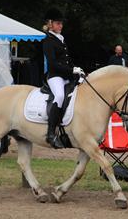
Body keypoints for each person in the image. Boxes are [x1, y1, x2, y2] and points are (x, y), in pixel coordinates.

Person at [42, 8, 85, 149]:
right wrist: (71, 70)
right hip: (55, 76)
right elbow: (53, 64)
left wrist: (77, 71)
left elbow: (67, 60)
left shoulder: (61, 39)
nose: (60, 26)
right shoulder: (48, 40)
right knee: (59, 96)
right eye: (58, 23)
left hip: (66, 76)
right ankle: (50, 133)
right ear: (50, 24)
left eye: (61, 24)